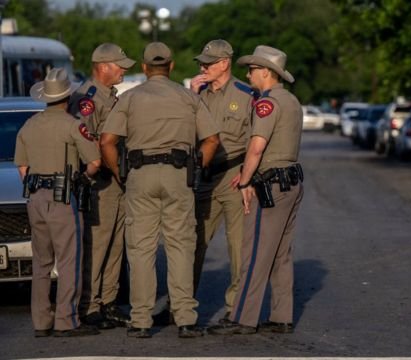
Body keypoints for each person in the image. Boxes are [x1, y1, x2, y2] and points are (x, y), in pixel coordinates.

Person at [100, 42, 220, 339]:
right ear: (171, 66)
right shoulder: (187, 98)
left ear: (143, 68)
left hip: (139, 176)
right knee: (180, 246)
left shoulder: (130, 98)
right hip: (179, 174)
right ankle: (185, 319)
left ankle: (140, 320)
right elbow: (212, 140)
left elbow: (106, 141)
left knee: (141, 249)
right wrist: (196, 165)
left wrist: (121, 174)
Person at [208, 45, 304, 335]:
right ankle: (281, 316)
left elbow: (256, 147)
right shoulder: (292, 101)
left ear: (266, 72)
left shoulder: (268, 103)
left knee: (255, 253)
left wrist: (246, 180)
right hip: (291, 181)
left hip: (271, 184)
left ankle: (241, 318)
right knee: (280, 253)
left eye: (252, 69)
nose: (247, 73)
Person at [14, 68, 102, 337]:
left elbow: (22, 168)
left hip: (35, 198)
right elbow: (95, 163)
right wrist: (81, 179)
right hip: (62, 196)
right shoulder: (73, 125)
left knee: (40, 262)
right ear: (67, 98)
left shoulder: (29, 125)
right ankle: (66, 320)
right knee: (68, 260)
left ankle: (41, 322)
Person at [68, 43, 135, 329]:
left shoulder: (110, 96)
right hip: (101, 182)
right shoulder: (88, 98)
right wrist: (113, 168)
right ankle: (90, 304)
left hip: (117, 180)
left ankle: (108, 301)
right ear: (103, 66)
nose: (123, 70)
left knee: (115, 244)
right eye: (119, 65)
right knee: (96, 245)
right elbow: (87, 143)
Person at [190, 39, 254, 321]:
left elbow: (259, 138)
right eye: (202, 62)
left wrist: (249, 175)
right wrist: (191, 96)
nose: (203, 67)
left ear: (225, 63)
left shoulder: (246, 94)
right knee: (192, 243)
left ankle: (235, 309)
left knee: (237, 246)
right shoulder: (198, 94)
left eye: (209, 62)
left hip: (233, 175)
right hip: (204, 177)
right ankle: (182, 305)